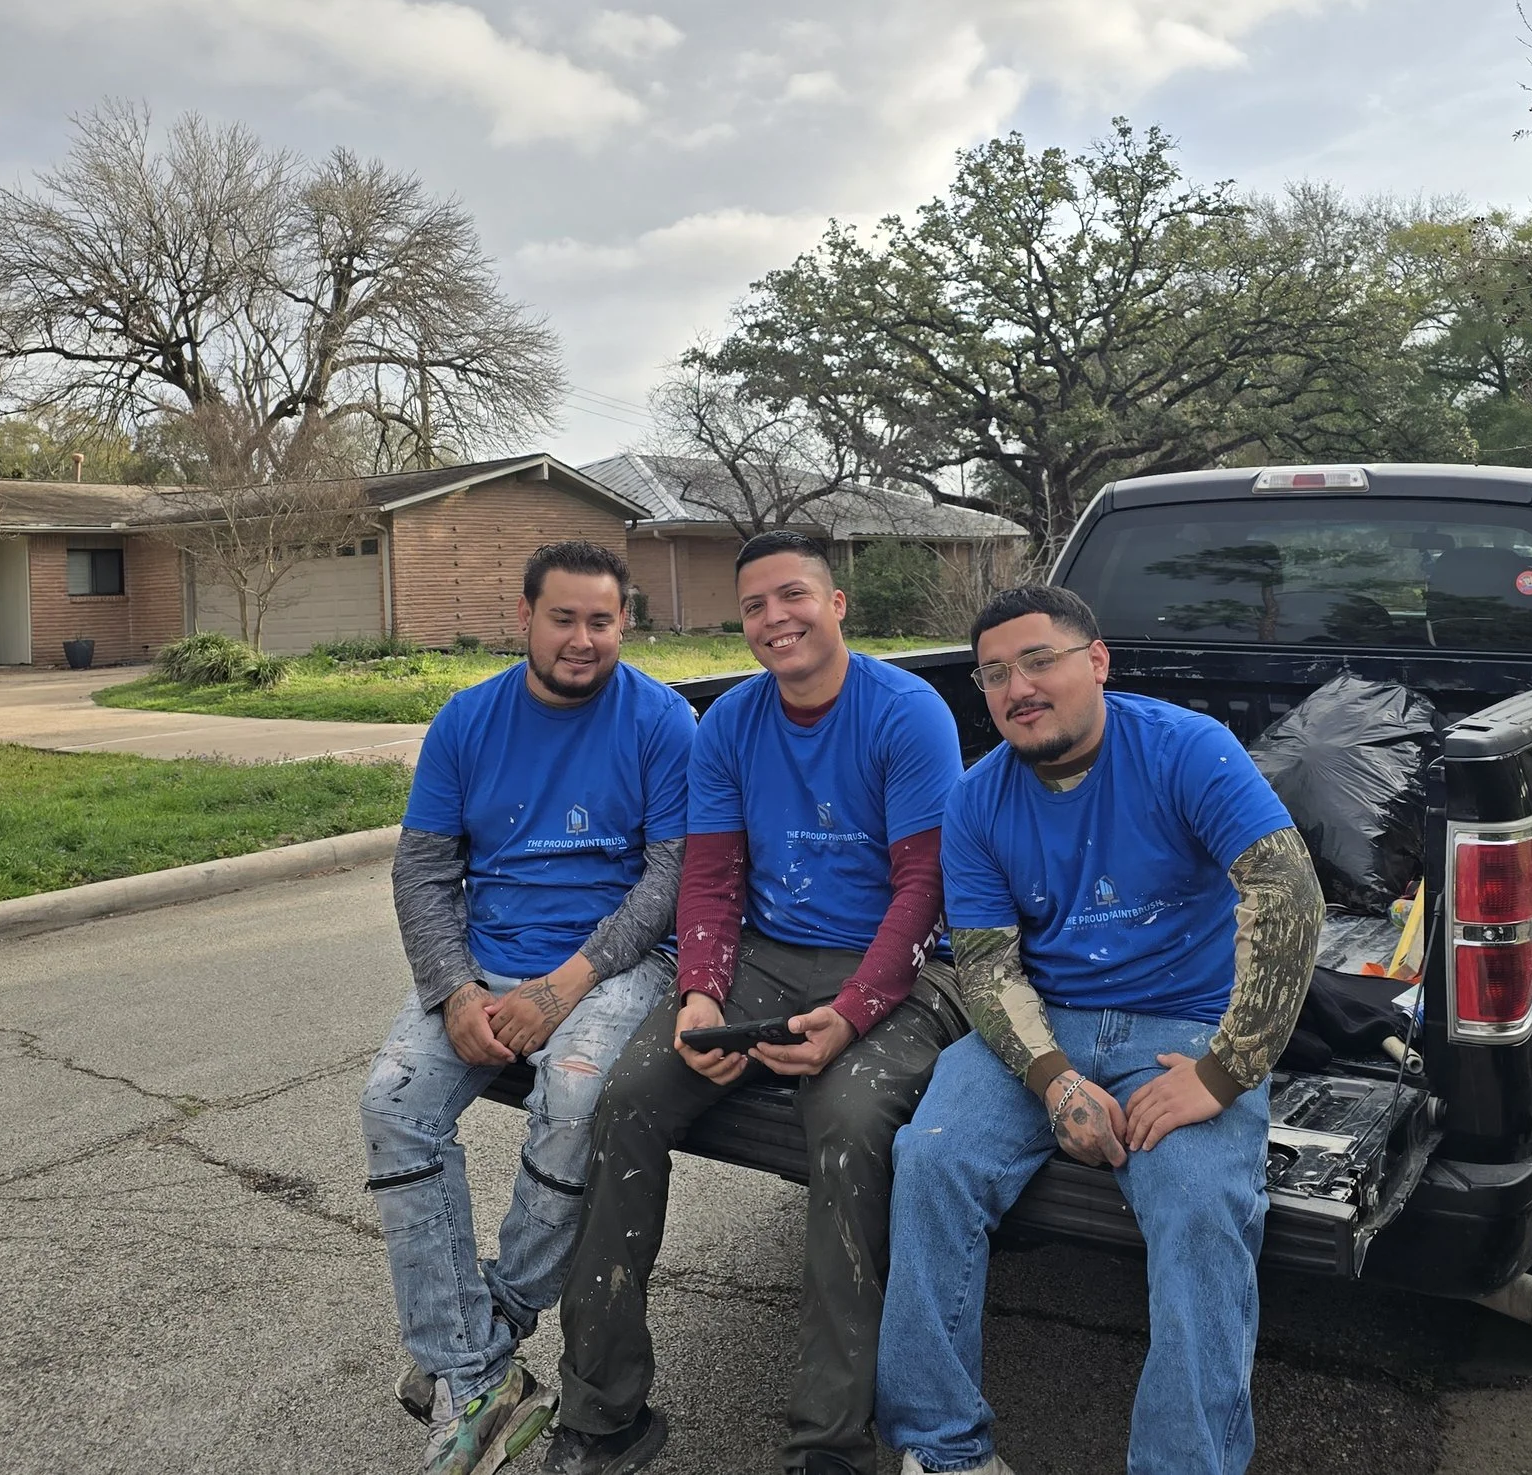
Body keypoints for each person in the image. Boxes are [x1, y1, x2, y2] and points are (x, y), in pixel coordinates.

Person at [544, 530, 968, 1475]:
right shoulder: (731, 724)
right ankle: (604, 1409)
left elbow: (924, 890)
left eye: (794, 597)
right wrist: (698, 991)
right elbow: (710, 877)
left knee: (850, 1123)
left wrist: (854, 1013)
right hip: (764, 958)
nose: (775, 619)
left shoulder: (908, 714)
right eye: (755, 607)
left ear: (837, 603)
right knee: (630, 1097)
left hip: (900, 963)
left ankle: (829, 1444)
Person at [876, 584, 1323, 1475]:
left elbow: (1288, 895)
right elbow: (989, 967)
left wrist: (1225, 1073)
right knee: (929, 1157)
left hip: (1186, 1029)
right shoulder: (976, 799)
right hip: (1050, 1024)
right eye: (996, 673)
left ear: (1097, 660)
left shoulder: (1185, 747)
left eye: (1040, 660)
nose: (1019, 686)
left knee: (1201, 1206)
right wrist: (1052, 1079)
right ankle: (944, 1449)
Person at [360, 540, 696, 1475]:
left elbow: (670, 879)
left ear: (624, 621)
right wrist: (453, 987)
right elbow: (424, 868)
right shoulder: (467, 721)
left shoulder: (664, 722)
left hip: (612, 965)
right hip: (484, 959)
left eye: (602, 619)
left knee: (578, 1094)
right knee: (391, 1105)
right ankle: (477, 1373)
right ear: (526, 618)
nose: (583, 639)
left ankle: (494, 1321)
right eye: (564, 617)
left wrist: (569, 983)